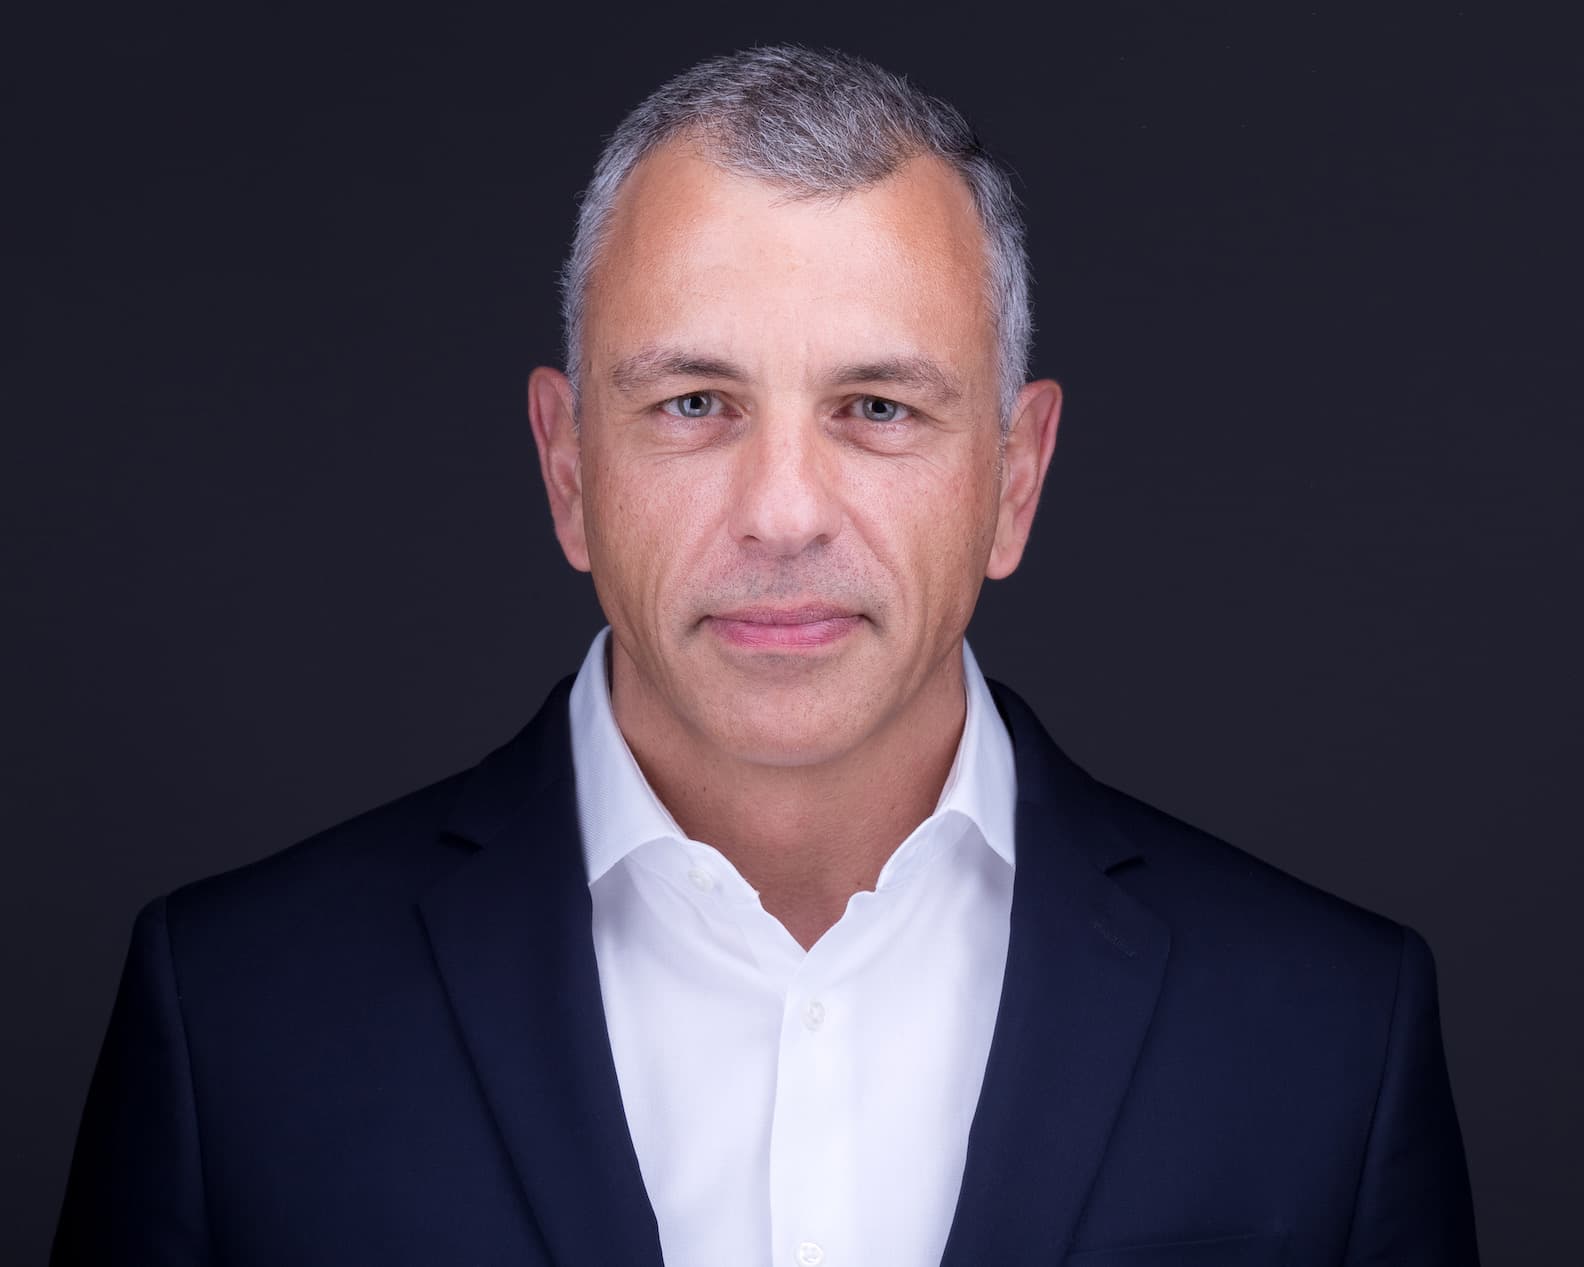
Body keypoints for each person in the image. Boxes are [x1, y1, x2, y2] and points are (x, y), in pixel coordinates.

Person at [52, 45, 1479, 1267]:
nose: (783, 512)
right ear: (567, 469)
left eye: (874, 405)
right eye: (691, 402)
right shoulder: (236, 1019)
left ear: (1016, 477)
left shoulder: (1327, 1040)